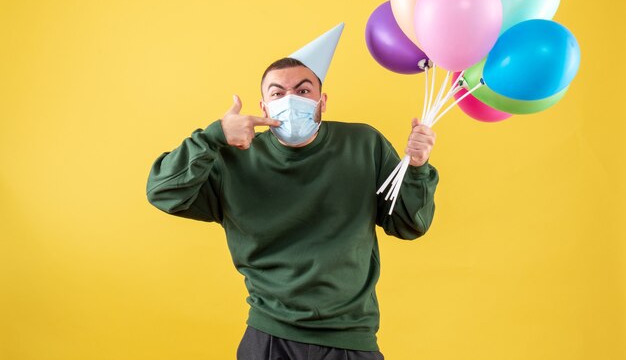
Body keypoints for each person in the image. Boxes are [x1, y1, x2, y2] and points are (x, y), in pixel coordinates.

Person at [146, 23, 439, 359]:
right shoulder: (232, 158)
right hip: (271, 335)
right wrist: (212, 136)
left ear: (322, 100)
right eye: (277, 93)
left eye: (303, 91)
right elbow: (163, 192)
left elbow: (409, 224)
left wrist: (417, 167)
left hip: (350, 338)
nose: (290, 100)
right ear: (264, 105)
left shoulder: (364, 144)